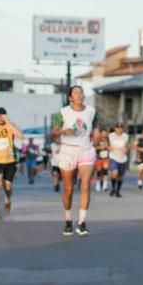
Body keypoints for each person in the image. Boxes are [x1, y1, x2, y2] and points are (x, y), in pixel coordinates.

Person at [51, 86, 97, 236]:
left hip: (86, 150)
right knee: (68, 189)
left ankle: (82, 223)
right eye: (76, 93)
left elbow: (95, 130)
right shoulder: (62, 113)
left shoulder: (92, 111)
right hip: (68, 150)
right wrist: (64, 131)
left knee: (85, 185)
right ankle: (68, 220)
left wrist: (97, 138)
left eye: (81, 92)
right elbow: (53, 132)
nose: (79, 95)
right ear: (70, 97)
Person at [108, 123, 129, 197]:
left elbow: (127, 145)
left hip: (122, 158)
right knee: (115, 173)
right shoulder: (111, 135)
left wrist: (126, 149)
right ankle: (113, 188)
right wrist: (109, 148)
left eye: (120, 128)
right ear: (115, 128)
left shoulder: (126, 136)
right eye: (117, 128)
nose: (119, 129)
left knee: (120, 176)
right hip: (113, 157)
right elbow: (107, 144)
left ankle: (118, 190)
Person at [94, 128, 110, 192]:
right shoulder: (98, 140)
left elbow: (110, 148)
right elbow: (94, 147)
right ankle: (98, 184)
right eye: (103, 133)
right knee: (99, 172)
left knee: (105, 171)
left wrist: (107, 147)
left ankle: (105, 185)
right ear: (101, 133)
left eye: (105, 133)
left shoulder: (108, 140)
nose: (104, 134)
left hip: (106, 158)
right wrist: (100, 147)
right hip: (99, 158)